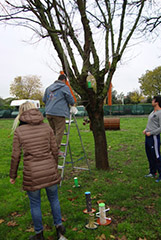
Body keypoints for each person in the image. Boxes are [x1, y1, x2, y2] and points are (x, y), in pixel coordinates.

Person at [9, 102, 66, 240]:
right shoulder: (47, 127)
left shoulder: (19, 131)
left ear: (21, 113)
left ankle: (39, 234)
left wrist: (13, 175)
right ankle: (60, 229)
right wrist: (54, 168)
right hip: (49, 170)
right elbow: (55, 150)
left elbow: (16, 155)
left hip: (32, 174)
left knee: (35, 204)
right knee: (54, 199)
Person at [43, 73, 75, 150]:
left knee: (52, 132)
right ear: (64, 80)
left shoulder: (48, 88)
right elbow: (70, 98)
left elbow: (44, 100)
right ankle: (55, 149)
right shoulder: (64, 87)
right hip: (59, 113)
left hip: (48, 112)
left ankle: (49, 148)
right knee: (59, 131)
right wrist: (72, 104)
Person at [143, 96, 161, 182]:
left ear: (157, 102)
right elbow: (151, 124)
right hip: (148, 137)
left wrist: (151, 133)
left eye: (153, 100)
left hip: (154, 137)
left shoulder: (160, 113)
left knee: (156, 155)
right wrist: (146, 130)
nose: (152, 101)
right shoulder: (152, 112)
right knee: (149, 155)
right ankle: (152, 172)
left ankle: (160, 174)